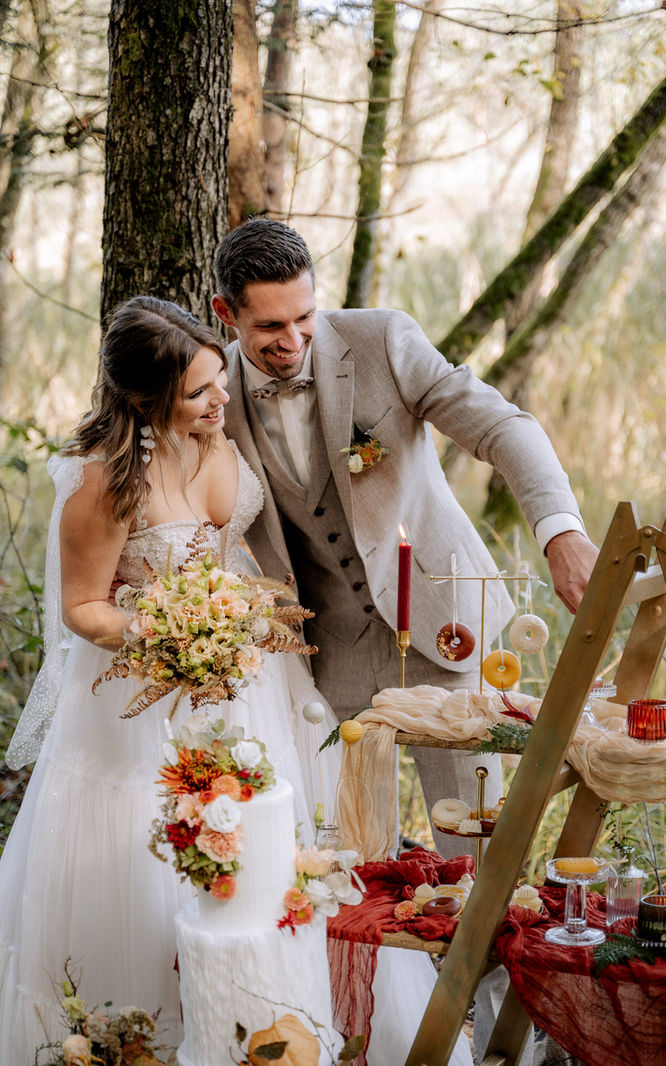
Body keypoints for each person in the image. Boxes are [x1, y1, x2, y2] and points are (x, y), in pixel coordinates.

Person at [0, 296, 474, 1066]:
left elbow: (245, 555)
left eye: (219, 380)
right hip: (147, 697)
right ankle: (155, 1036)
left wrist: (247, 620)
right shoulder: (103, 481)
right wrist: (176, 632)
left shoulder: (220, 439)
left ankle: (298, 1026)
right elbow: (85, 607)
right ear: (145, 400)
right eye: (199, 391)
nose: (223, 398)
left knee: (279, 851)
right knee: (163, 862)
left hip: (256, 681)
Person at [211, 217, 599, 858]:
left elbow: (503, 426)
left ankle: (480, 963)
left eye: (304, 316)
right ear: (227, 312)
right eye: (270, 327)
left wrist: (561, 533)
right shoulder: (212, 391)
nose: (294, 338)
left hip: (442, 628)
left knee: (473, 844)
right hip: (323, 653)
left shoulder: (382, 339)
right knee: (351, 853)